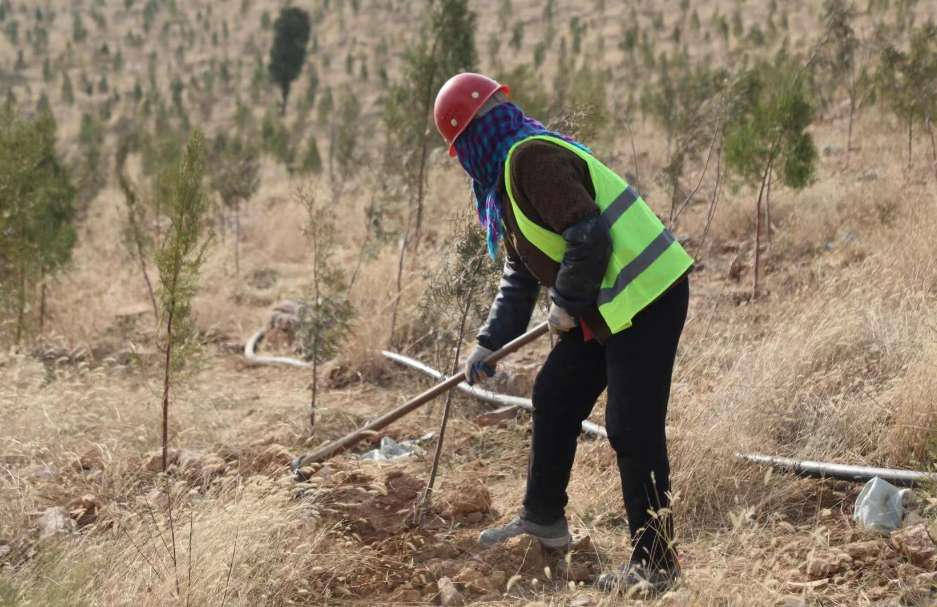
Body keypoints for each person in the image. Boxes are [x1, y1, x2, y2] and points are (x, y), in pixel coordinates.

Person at [432, 73, 693, 595]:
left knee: (631, 427)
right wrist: (490, 341)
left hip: (647, 295)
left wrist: (567, 304)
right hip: (608, 301)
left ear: (471, 141)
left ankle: (657, 566)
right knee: (553, 395)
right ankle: (544, 519)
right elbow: (522, 270)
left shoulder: (531, 160)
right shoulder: (505, 179)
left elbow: (587, 233)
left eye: (459, 150)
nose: (462, 162)